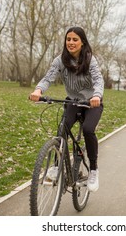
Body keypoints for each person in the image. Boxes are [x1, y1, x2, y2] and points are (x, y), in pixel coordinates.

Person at [29, 26, 104, 192]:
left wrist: (97, 96)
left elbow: (98, 80)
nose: (71, 42)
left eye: (75, 39)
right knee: (62, 130)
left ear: (82, 42)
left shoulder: (90, 60)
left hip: (92, 103)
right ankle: (56, 166)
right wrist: (38, 90)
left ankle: (93, 170)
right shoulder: (60, 60)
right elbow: (48, 78)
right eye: (68, 39)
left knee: (88, 129)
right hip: (73, 101)